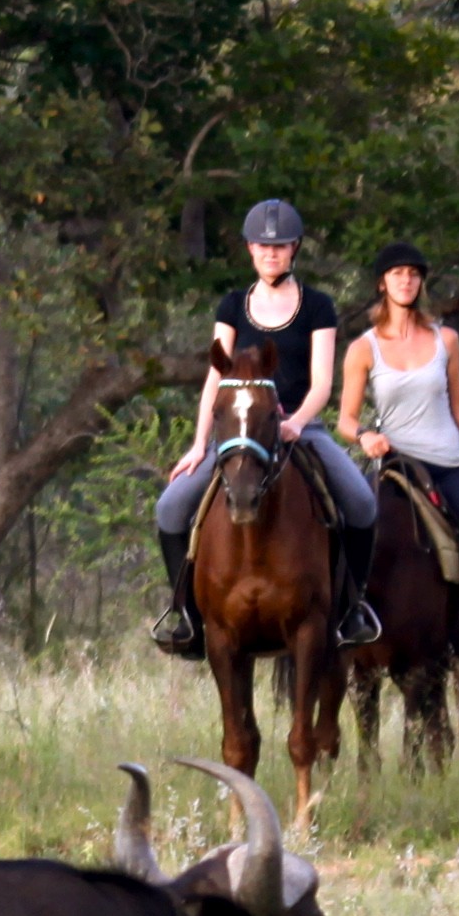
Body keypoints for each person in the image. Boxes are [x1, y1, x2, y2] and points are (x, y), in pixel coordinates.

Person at [149, 200, 382, 655]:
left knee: (360, 502)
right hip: (238, 432)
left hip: (299, 427)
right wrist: (199, 445)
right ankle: (185, 615)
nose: (270, 253)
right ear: (250, 249)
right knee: (170, 509)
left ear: (294, 249)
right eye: (262, 245)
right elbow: (216, 378)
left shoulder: (317, 306)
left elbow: (322, 383)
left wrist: (295, 423)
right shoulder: (233, 305)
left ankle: (353, 607)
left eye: (279, 246)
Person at [339, 243, 459, 645]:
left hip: (446, 465)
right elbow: (345, 420)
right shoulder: (362, 348)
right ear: (381, 284)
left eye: (413, 274)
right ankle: (348, 630)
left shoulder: (447, 340)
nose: (406, 280)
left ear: (421, 282)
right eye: (397, 274)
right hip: (395, 466)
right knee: (351, 543)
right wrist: (366, 435)